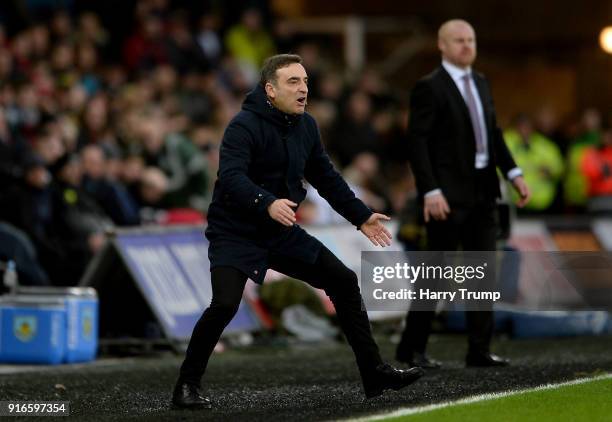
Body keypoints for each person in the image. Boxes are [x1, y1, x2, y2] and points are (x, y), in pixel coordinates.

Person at [171, 54, 424, 409]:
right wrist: (267, 202)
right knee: (225, 304)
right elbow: (230, 178)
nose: (303, 88)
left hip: (281, 230)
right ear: (270, 90)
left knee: (343, 281)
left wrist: (361, 216)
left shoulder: (306, 126)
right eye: (293, 82)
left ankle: (374, 372)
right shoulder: (242, 126)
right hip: (236, 231)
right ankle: (186, 386)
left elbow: (327, 178)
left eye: (305, 81)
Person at [396, 20, 530, 369]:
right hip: (447, 196)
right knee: (435, 276)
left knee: (482, 273)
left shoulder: (481, 82)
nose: (467, 46)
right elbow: (417, 142)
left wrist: (513, 173)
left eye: (471, 39)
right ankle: (411, 350)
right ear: (442, 45)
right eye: (459, 40)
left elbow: (493, 133)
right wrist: (430, 190)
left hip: (484, 193)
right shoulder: (429, 87)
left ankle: (479, 350)